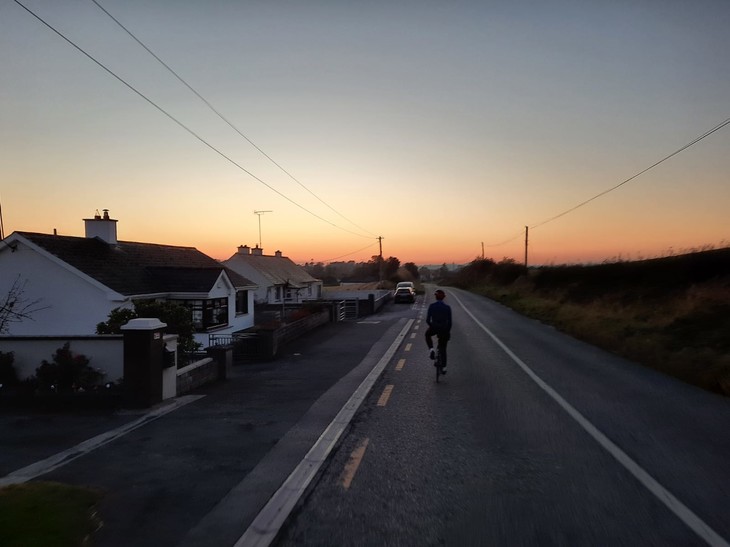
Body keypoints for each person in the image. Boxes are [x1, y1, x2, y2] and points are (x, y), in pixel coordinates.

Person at [425, 289, 452, 373]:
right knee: (443, 348)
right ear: (443, 297)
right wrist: (447, 331)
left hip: (434, 327)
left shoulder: (432, 306)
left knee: (427, 334)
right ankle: (444, 367)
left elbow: (428, 320)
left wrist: (431, 326)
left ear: (436, 297)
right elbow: (450, 322)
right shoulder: (447, 308)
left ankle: (431, 349)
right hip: (444, 329)